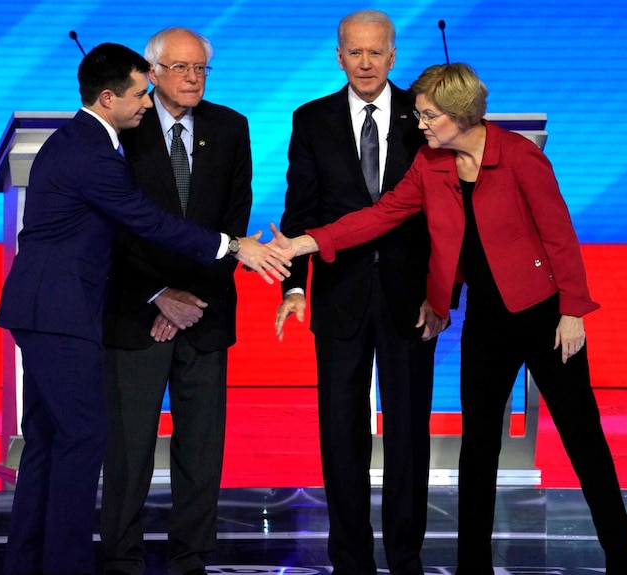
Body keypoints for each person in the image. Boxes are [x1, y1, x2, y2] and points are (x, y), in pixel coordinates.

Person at [270, 62, 627, 575]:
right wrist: (311, 242)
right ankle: (473, 566)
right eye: (419, 114)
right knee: (479, 447)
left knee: (582, 435)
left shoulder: (519, 157)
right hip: (486, 319)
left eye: (428, 115)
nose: (419, 124)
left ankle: (620, 553)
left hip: (544, 316)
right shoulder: (431, 163)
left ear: (461, 116)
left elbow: (559, 235)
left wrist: (573, 309)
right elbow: (381, 215)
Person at [0, 42, 288, 575]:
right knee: (83, 437)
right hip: (63, 312)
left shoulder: (87, 140)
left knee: (47, 438)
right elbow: (147, 224)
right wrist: (235, 246)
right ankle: (66, 563)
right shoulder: (94, 152)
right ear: (108, 98)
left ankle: (29, 561)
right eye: (139, 92)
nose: (147, 103)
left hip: (46, 309)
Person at [275, 10, 436, 575]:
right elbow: (302, 209)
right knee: (341, 430)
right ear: (339, 56)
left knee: (410, 430)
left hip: (410, 298)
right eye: (355, 53)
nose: (365, 64)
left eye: (376, 53)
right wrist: (295, 285)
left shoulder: (426, 117)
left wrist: (441, 292)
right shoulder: (311, 119)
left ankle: (406, 555)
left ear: (393, 56)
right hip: (339, 294)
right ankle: (349, 556)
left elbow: (445, 215)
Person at [100, 27, 252, 575]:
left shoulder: (231, 127)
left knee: (201, 450)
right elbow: (115, 225)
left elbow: (233, 223)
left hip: (206, 312)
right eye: (181, 68)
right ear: (153, 71)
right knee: (129, 447)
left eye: (201, 69)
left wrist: (193, 299)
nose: (192, 78)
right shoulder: (124, 129)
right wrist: (161, 295)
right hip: (136, 310)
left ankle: (191, 557)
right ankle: (120, 555)